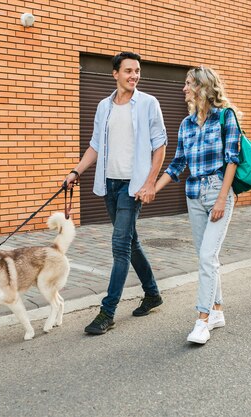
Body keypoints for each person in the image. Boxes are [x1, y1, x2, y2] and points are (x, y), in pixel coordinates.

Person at [65, 51, 167, 335]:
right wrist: (76, 172)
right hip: (109, 183)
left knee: (120, 246)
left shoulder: (148, 103)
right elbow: (95, 145)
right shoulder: (103, 106)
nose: (134, 76)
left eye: (137, 71)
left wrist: (149, 183)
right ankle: (152, 293)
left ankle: (107, 312)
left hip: (132, 187)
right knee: (131, 243)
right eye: (128, 71)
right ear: (115, 74)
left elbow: (160, 145)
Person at [154, 66, 240, 344]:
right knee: (207, 257)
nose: (184, 88)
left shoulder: (226, 117)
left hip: (218, 191)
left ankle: (202, 321)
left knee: (206, 257)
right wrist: (152, 189)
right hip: (193, 195)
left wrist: (221, 198)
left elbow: (232, 159)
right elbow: (178, 164)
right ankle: (217, 311)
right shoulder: (186, 124)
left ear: (203, 87)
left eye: (189, 83)